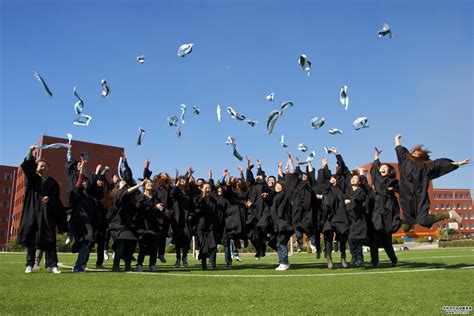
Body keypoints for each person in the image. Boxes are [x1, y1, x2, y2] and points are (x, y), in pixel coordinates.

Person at [395, 134, 470, 231]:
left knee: (423, 221)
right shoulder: (405, 160)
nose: (414, 153)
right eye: (413, 152)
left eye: (417, 152)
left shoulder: (426, 166)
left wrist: (459, 163)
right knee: (405, 228)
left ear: (422, 155)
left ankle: (450, 213)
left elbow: (441, 164)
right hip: (407, 198)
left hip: (420, 197)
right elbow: (400, 150)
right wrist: (396, 139)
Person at [18, 145, 67, 274]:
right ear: (37, 167)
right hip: (33, 214)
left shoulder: (53, 182)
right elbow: (27, 167)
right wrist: (30, 152)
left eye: (45, 166)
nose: (42, 167)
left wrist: (49, 199)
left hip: (47, 215)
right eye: (40, 165)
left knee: (50, 240)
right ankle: (29, 264)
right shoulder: (32, 179)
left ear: (48, 168)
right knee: (32, 241)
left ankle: (53, 265)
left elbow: (56, 199)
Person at [368, 147, 400, 267]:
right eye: (382, 167)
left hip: (387, 209)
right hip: (376, 209)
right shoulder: (377, 179)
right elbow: (375, 169)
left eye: (385, 168)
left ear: (389, 171)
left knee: (386, 239)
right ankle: (374, 261)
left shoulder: (391, 181)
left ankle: (393, 259)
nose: (382, 168)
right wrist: (376, 157)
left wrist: (393, 189)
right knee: (374, 239)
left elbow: (399, 188)